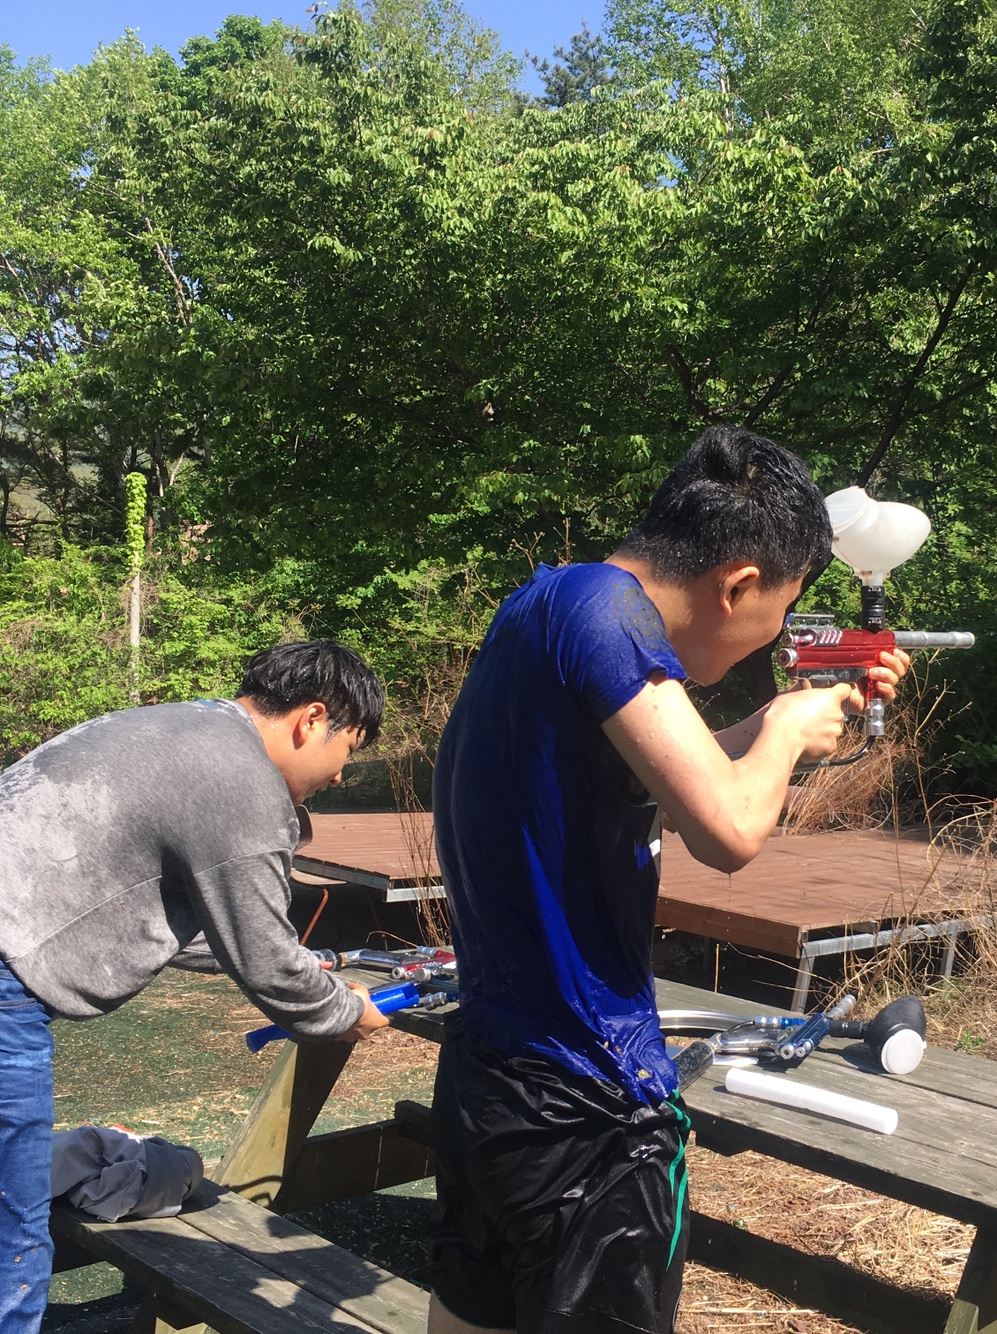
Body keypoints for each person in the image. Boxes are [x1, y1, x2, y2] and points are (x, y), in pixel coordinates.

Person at [428, 426, 911, 1334]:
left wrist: (784, 727)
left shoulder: (548, 604)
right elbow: (727, 833)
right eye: (782, 609)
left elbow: (676, 782)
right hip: (587, 1099)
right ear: (737, 584)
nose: (775, 635)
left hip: (493, 1074)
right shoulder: (609, 616)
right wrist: (783, 732)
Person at [0, 640, 392, 1332]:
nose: (339, 775)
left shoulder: (182, 729)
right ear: (312, 719)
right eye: (347, 750)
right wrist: (344, 1012)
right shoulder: (245, 780)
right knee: (13, 1231)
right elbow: (268, 964)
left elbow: (198, 929)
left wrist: (303, 967)